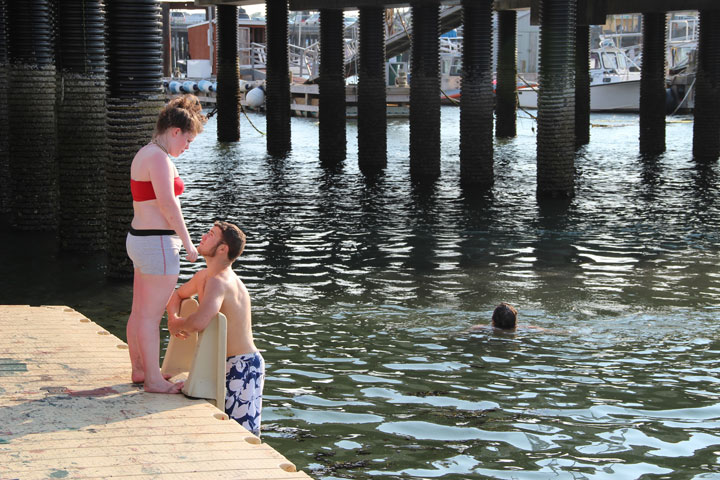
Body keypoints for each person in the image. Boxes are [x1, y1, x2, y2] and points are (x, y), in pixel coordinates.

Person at [125, 94, 207, 393]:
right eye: (188, 141)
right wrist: (188, 244)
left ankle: (139, 369)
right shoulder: (159, 158)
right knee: (150, 317)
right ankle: (152, 379)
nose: (187, 147)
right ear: (175, 132)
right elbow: (169, 205)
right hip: (157, 244)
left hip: (139, 240)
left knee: (139, 312)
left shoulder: (144, 153)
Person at [166, 221, 265, 436]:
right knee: (220, 430)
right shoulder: (204, 276)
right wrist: (173, 317)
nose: (203, 236)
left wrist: (178, 324)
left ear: (222, 249)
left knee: (242, 434)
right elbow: (177, 295)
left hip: (243, 365)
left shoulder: (220, 281)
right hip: (220, 363)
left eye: (210, 234)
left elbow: (200, 320)